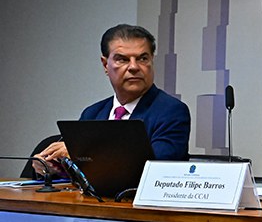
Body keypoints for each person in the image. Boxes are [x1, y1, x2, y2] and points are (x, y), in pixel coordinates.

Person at [35, 24, 191, 173]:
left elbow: (156, 167)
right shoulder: (92, 114)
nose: (134, 67)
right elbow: (85, 175)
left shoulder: (171, 111)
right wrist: (54, 168)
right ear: (105, 65)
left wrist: (81, 154)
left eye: (142, 58)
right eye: (122, 59)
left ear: (152, 61)